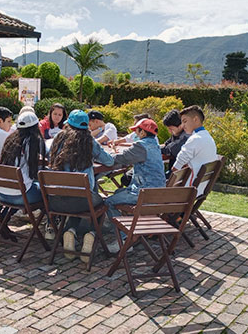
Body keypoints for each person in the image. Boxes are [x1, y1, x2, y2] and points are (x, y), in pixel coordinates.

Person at [48, 110, 114, 262]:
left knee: (79, 200)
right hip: (83, 199)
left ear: (69, 124)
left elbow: (48, 156)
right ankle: (90, 233)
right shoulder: (89, 141)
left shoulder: (59, 138)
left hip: (56, 199)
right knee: (98, 202)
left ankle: (69, 229)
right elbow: (109, 161)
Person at [104, 118, 166, 252]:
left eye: (137, 131)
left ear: (142, 132)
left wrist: (103, 156)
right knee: (117, 194)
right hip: (157, 193)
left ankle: (124, 237)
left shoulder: (140, 146)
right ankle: (128, 229)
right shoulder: (155, 145)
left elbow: (121, 158)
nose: (135, 134)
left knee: (107, 202)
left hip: (144, 193)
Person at [0, 111, 46, 205]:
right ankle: (51, 220)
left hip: (1, 193)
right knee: (46, 191)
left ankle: (4, 216)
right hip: (22, 195)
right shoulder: (33, 141)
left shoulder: (10, 139)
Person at [172, 105, 217, 194]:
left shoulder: (195, 139)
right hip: (201, 188)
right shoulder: (208, 138)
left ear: (195, 119)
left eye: (185, 121)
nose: (182, 126)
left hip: (188, 190)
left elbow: (177, 166)